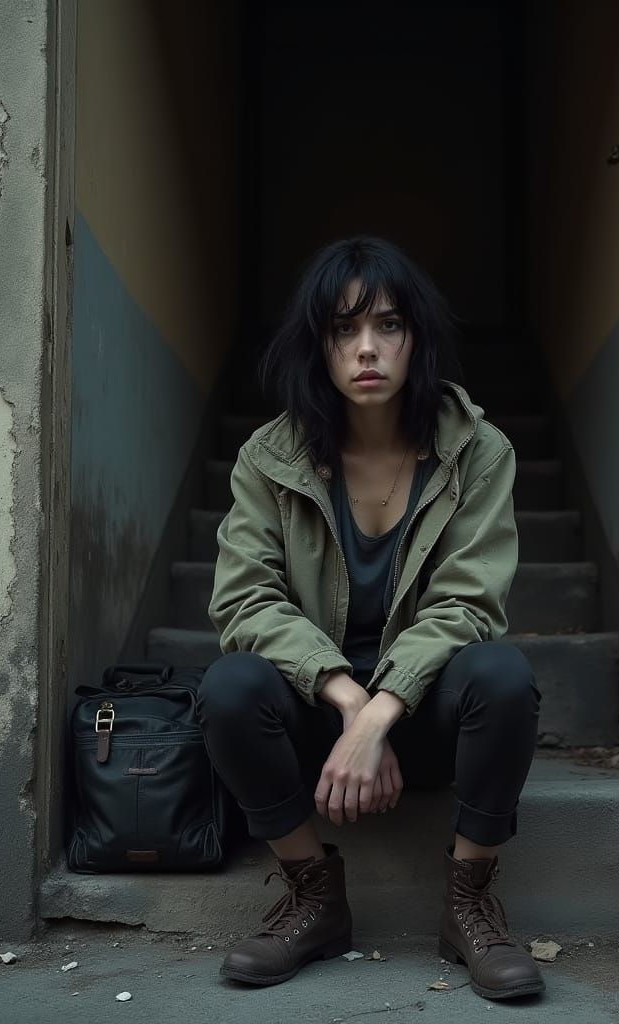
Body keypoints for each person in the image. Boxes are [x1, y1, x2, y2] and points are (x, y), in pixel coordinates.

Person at [197, 236, 543, 1001]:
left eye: (387, 326)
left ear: (416, 338)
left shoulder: (476, 451)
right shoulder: (269, 457)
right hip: (320, 731)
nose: (366, 349)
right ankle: (313, 894)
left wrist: (384, 710)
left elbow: (470, 601)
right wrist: (349, 703)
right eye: (343, 329)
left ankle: (469, 902)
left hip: (425, 721)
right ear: (315, 345)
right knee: (229, 687)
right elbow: (244, 599)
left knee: (502, 675)